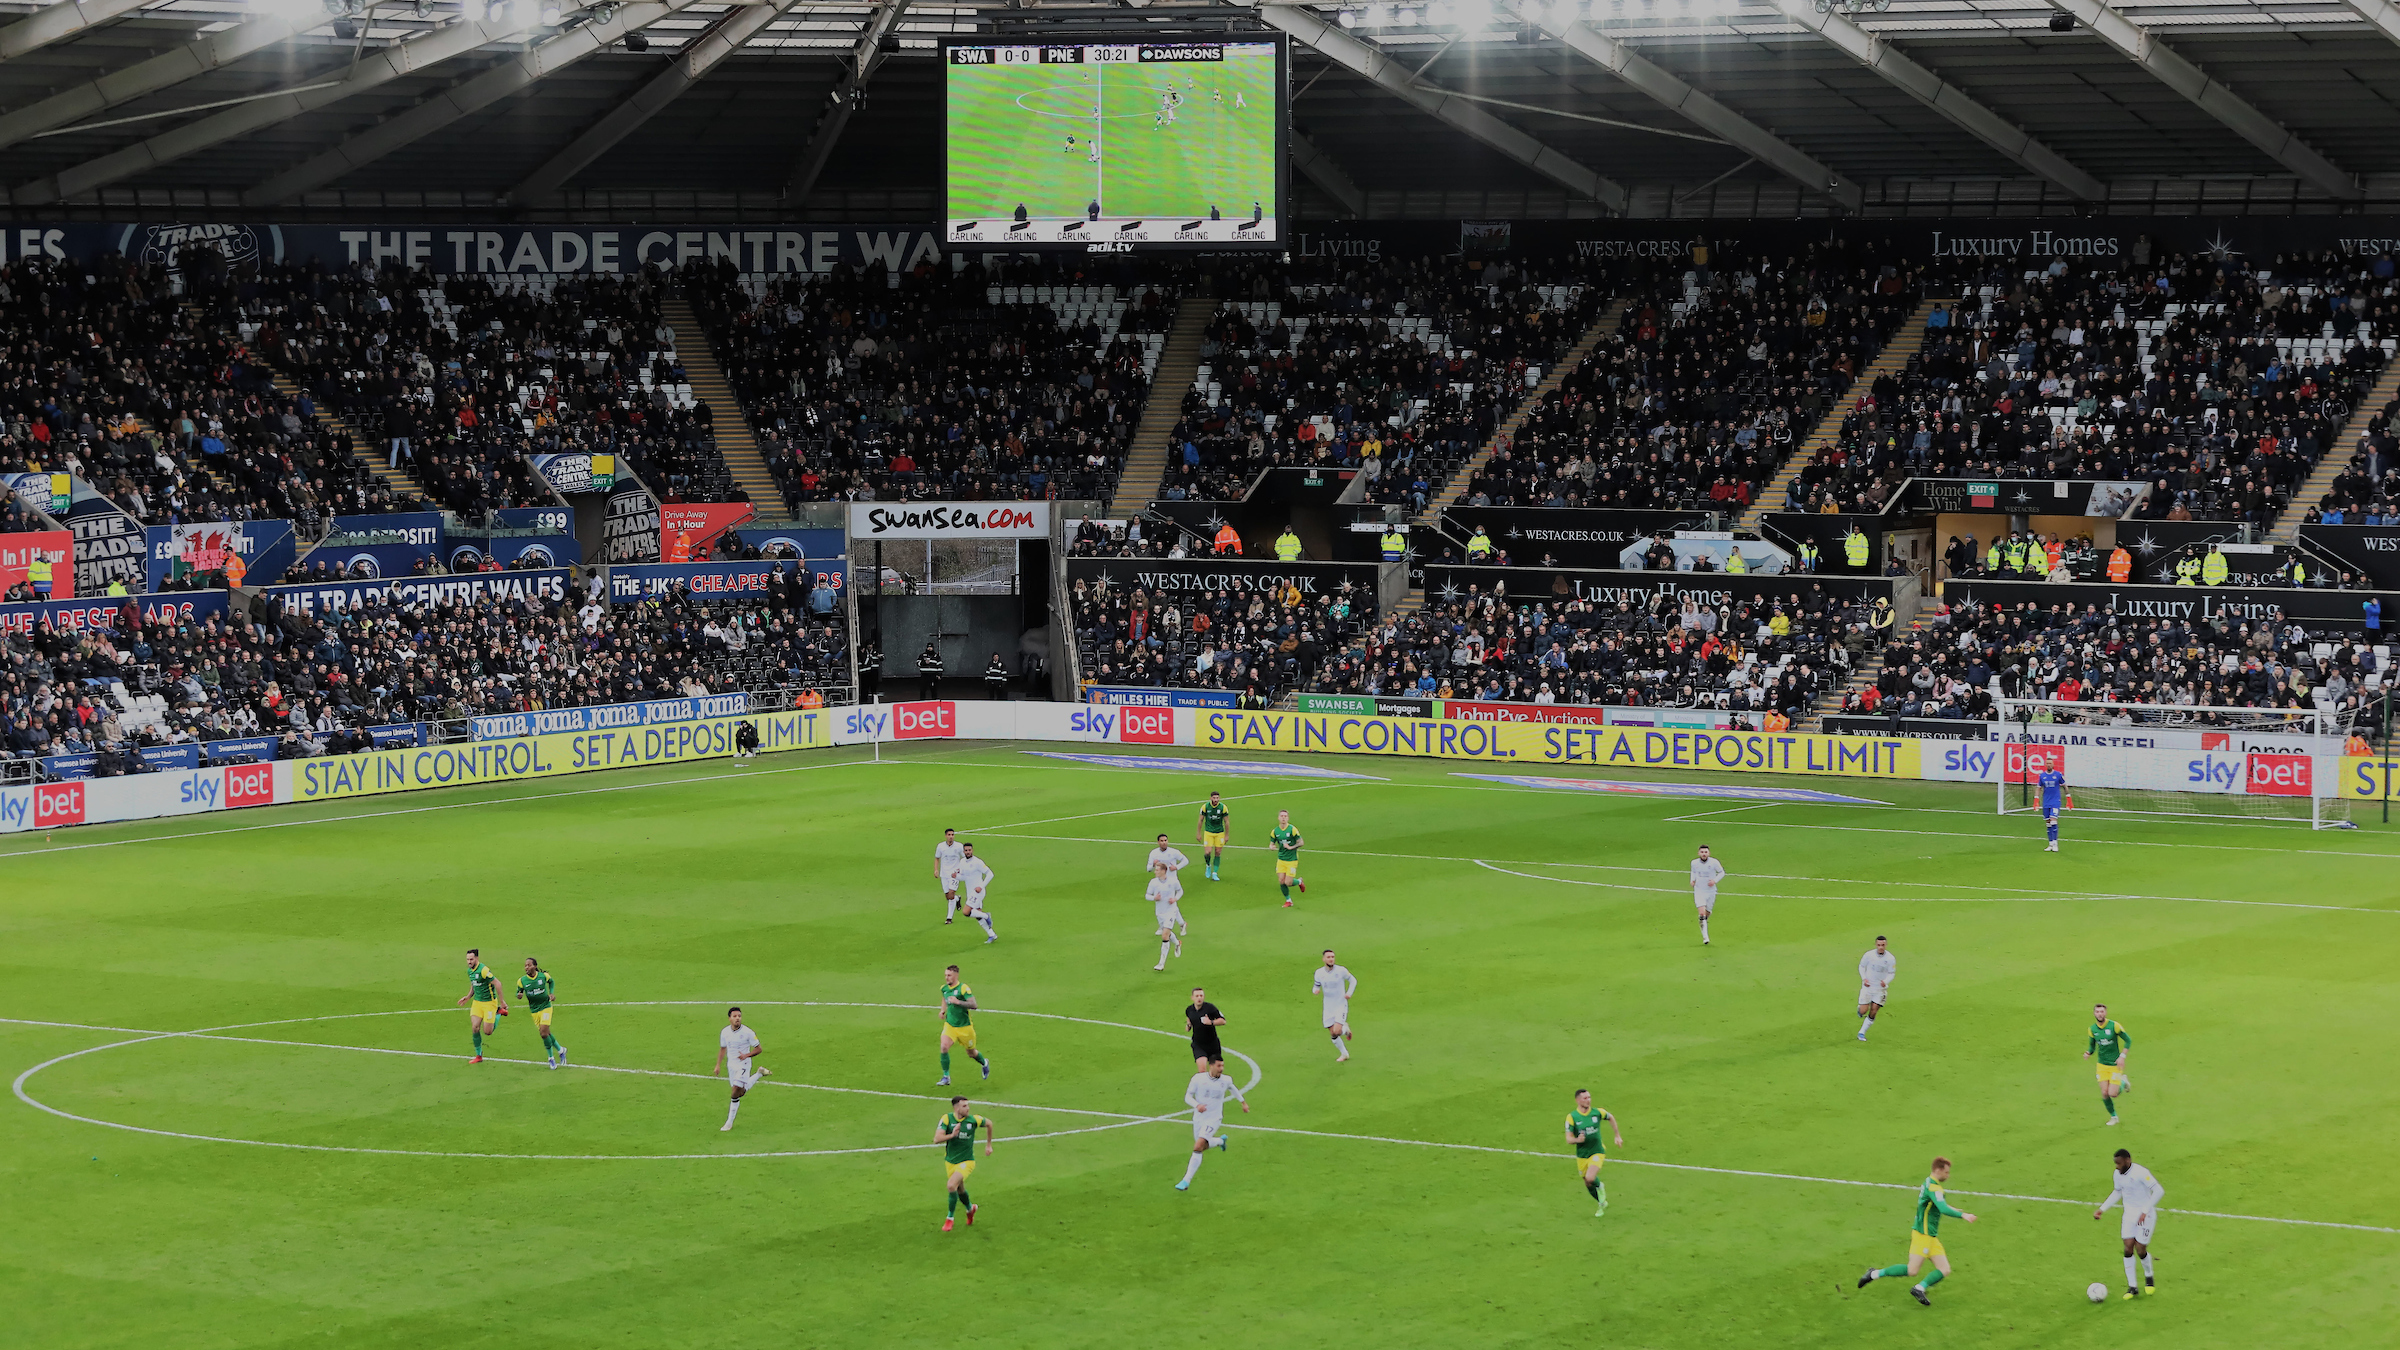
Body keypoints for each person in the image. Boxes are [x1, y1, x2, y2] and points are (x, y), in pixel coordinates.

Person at [1858, 1156, 1978, 1305]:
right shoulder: (1934, 1187)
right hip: (1923, 1234)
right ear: (1938, 1170)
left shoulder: (1929, 1181)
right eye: (1946, 1172)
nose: (1948, 1175)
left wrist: (1951, 1208)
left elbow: (1934, 1203)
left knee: (1944, 1269)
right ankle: (1873, 1274)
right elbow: (1941, 1207)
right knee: (1912, 1270)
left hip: (1931, 1235)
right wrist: (1963, 1215)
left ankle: (1919, 1288)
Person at [2094, 1147, 2164, 1298]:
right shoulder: (2117, 1174)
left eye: (2119, 1163)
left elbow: (2159, 1191)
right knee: (2127, 1248)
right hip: (2129, 1216)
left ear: (2128, 1160)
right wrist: (2102, 1209)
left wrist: (2145, 1210)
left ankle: (2149, 1276)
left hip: (2146, 1216)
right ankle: (2132, 1287)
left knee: (2140, 1249)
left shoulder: (2141, 1173)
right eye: (2115, 1163)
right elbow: (2117, 1191)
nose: (2117, 1166)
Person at [1175, 1058, 1249, 1190]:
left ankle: (1186, 1181)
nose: (1221, 1068)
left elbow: (1233, 1089)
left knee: (1198, 1146)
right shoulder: (1198, 1079)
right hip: (1199, 1118)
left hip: (1214, 1119)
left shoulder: (1226, 1080)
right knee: (1202, 1146)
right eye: (1219, 1065)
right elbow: (1187, 1096)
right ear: (1211, 1065)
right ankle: (1220, 1141)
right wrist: (1197, 1105)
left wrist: (1243, 1102)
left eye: (1223, 1066)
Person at [936, 1095, 994, 1231]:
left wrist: (989, 1145)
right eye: (964, 1106)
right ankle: (970, 1209)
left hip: (967, 1161)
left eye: (968, 1105)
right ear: (956, 1108)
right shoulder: (947, 1119)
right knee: (959, 1189)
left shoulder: (973, 1120)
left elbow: (989, 1123)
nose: (968, 1108)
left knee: (951, 1186)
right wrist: (952, 1135)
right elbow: (936, 1139)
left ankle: (949, 1218)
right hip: (950, 1161)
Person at [1563, 1088, 1623, 1218]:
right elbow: (1568, 1139)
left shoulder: (1597, 1112)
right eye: (1585, 1098)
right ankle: (1601, 1203)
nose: (1588, 1100)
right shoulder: (1572, 1117)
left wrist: (1617, 1135)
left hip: (1597, 1151)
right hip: (1582, 1155)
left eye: (1589, 1097)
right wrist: (1577, 1140)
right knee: (1587, 1183)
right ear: (1577, 1100)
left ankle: (1600, 1186)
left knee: (1591, 1178)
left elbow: (1610, 1117)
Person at [712, 1006, 768, 1131]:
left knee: (735, 1090)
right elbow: (722, 1048)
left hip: (744, 1065)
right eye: (735, 1016)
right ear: (729, 1018)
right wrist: (718, 1065)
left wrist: (746, 1055)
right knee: (739, 1092)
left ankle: (729, 1122)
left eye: (739, 1016)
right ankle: (759, 1074)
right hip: (731, 1065)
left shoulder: (748, 1032)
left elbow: (759, 1049)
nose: (737, 1018)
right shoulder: (725, 1032)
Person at [936, 964, 993, 1086]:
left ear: (956, 975)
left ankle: (984, 1063)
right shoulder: (944, 988)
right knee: (944, 1047)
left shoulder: (963, 988)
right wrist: (942, 1010)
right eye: (945, 975)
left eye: (949, 975)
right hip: (950, 1025)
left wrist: (958, 1002)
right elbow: (944, 998)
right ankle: (946, 1077)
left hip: (965, 1027)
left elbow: (974, 1004)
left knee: (971, 1053)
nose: (946, 978)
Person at [456, 948, 508, 1063]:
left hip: (489, 1003)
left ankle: (498, 1012)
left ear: (477, 959)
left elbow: (498, 983)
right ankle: (478, 1055)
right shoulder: (470, 971)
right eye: (467, 959)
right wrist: (468, 997)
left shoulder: (484, 970)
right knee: (475, 1027)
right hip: (477, 1003)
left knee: (487, 1032)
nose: (469, 962)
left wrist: (502, 1002)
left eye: (471, 959)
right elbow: (473, 984)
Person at [2085, 1003, 2132, 1125]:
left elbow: (2128, 1040)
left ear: (2105, 1013)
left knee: (2113, 1094)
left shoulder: (2114, 1026)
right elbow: (2092, 1046)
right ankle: (2114, 1117)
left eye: (2102, 1012)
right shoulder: (2092, 1029)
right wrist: (2088, 1053)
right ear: (2094, 1013)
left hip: (2115, 1065)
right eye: (2097, 1012)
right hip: (2102, 1065)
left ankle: (2123, 1081)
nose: (2100, 1014)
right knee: (2104, 1093)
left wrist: (2122, 1056)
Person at [517, 956, 564, 1068]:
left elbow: (551, 982)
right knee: (546, 1033)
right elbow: (518, 992)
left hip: (546, 1006)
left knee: (543, 1033)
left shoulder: (543, 976)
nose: (526, 967)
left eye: (528, 965)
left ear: (535, 966)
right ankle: (561, 1050)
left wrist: (551, 993)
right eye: (525, 965)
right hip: (534, 1010)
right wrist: (519, 995)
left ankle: (551, 1058)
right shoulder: (522, 981)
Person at [1312, 948, 1356, 1062]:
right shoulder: (1319, 973)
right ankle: (1344, 1054)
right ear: (1323, 959)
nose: (1331, 959)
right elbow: (1316, 986)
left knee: (1337, 1031)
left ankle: (1345, 1028)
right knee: (1332, 1033)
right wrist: (1315, 991)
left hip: (1340, 1005)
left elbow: (1353, 980)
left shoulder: (1341, 970)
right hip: (1328, 1006)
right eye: (1328, 957)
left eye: (1332, 957)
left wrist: (1349, 993)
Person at [1146, 833, 1191, 934]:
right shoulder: (1153, 853)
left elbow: (1185, 860)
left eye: (1165, 840)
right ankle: (1168, 925)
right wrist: (1153, 864)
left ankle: (1172, 925)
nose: (1164, 842)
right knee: (1161, 902)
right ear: (1158, 842)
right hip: (1159, 882)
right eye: (1161, 841)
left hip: (1171, 881)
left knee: (1171, 902)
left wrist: (1177, 867)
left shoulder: (1173, 852)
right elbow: (1148, 869)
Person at [954, 843, 998, 943]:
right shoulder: (962, 862)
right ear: (963, 851)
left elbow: (990, 874)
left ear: (972, 850)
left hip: (978, 892)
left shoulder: (977, 862)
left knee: (966, 912)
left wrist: (981, 886)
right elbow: (964, 877)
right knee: (977, 915)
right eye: (966, 850)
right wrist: (955, 876)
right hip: (970, 892)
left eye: (969, 850)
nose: (968, 852)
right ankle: (992, 935)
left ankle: (986, 916)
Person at [1857, 935, 1896, 1043]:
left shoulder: (1890, 959)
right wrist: (1864, 979)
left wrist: (1886, 981)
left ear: (1886, 945)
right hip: (1868, 987)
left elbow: (1891, 973)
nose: (1881, 947)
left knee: (1874, 1010)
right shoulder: (1869, 955)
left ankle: (1862, 1032)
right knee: (1863, 1011)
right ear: (1876, 945)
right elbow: (1861, 966)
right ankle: (1860, 1009)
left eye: (1883, 945)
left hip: (1880, 989)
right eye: (1879, 945)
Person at [1148, 862, 1185, 971]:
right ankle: (1178, 943)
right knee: (1167, 932)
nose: (1155, 872)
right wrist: (1154, 898)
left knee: (1164, 935)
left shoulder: (1173, 881)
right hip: (1159, 912)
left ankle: (1161, 964)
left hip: (1171, 911)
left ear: (1164, 871)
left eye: (1157, 870)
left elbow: (1180, 891)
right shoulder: (1153, 882)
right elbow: (1147, 895)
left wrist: (1175, 899)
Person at [1690, 844, 1726, 945]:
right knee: (1702, 914)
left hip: (1710, 891)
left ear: (1709, 853)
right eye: (1702, 852)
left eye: (1705, 852)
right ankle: (1705, 937)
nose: (1704, 854)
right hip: (1699, 891)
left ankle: (1703, 922)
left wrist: (1714, 881)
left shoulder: (1714, 862)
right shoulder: (1694, 863)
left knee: (1707, 913)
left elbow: (1722, 872)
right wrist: (1692, 880)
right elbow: (1693, 872)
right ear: (1698, 853)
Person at [1185, 986, 1227, 1070]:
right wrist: (1188, 1026)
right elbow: (1189, 1021)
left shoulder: (1210, 1008)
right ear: (1192, 998)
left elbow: (1223, 1021)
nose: (1199, 998)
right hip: (1198, 1044)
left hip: (1212, 1044)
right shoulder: (1189, 1010)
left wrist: (1211, 1022)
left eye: (1201, 995)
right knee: (1202, 1070)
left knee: (1216, 1070)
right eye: (1197, 996)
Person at [1270, 808, 1305, 906]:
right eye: (1281, 816)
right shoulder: (1275, 831)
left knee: (1288, 882)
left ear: (1288, 818)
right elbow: (1272, 843)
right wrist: (1271, 846)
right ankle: (1288, 900)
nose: (1283, 818)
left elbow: (1301, 842)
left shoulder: (1292, 829)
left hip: (1292, 860)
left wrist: (1291, 847)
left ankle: (1299, 881)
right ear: (1278, 818)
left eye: (1285, 816)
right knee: (1281, 881)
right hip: (1281, 859)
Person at [1196, 790, 1230, 880]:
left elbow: (1226, 822)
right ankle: (1208, 865)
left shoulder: (1223, 807)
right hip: (1208, 832)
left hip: (1219, 832)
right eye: (1214, 798)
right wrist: (1198, 833)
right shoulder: (1205, 807)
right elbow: (1200, 820)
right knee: (1207, 852)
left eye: (1217, 798)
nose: (1216, 799)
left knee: (1218, 852)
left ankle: (1215, 873)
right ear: (1210, 798)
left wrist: (1227, 835)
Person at [935, 827, 966, 924]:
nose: (951, 837)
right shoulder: (940, 846)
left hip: (955, 874)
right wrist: (936, 870)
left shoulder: (959, 846)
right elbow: (937, 858)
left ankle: (949, 918)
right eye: (949, 835)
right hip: (944, 874)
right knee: (948, 896)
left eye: (952, 835)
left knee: (951, 894)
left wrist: (961, 870)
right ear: (945, 836)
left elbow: (965, 858)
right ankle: (957, 899)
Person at [2040, 765, 2067, 851]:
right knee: (2048, 823)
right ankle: (2050, 844)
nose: (2049, 765)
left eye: (2050, 763)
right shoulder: (2042, 776)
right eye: (2047, 763)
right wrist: (2036, 799)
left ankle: (2055, 844)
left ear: (2053, 765)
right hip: (2046, 802)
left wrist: (2068, 797)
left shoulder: (2058, 775)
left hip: (2055, 802)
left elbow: (2064, 785)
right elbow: (2038, 787)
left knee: (2053, 821)